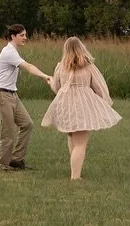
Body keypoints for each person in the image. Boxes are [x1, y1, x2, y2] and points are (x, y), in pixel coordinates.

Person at [41, 36, 121, 180]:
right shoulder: (88, 66)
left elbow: (58, 88)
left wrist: (51, 81)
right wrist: (105, 101)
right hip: (81, 105)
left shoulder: (61, 66)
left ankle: (75, 171)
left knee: (72, 137)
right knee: (80, 143)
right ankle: (75, 177)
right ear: (81, 48)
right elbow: (99, 87)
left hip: (66, 105)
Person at [0, 24, 54, 171]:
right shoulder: (8, 52)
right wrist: (45, 76)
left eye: (25, 35)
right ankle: (1, 165)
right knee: (8, 131)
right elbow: (28, 67)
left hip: (12, 94)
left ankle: (16, 160)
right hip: (1, 95)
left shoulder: (14, 51)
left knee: (27, 124)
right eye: (22, 35)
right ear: (13, 36)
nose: (25, 38)